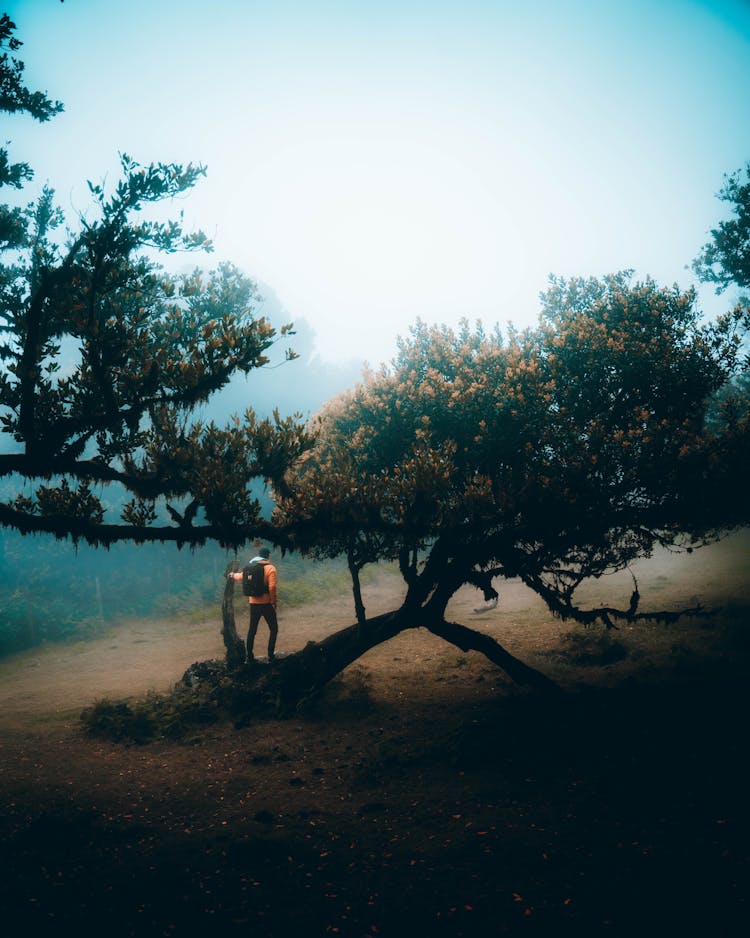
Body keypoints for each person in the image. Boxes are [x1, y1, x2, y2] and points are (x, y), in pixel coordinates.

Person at [230, 546, 278, 662]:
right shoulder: (271, 568)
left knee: (252, 630)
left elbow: (240, 576)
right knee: (274, 629)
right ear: (268, 556)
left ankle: (250, 656)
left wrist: (231, 575)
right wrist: (273, 601)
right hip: (266, 604)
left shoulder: (250, 567)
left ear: (259, 555)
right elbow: (272, 587)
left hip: (253, 604)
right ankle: (270, 655)